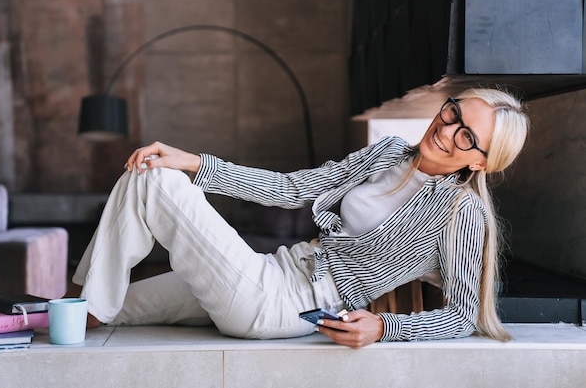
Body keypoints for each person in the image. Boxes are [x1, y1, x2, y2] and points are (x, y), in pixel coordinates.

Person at [69, 87, 529, 348]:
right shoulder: (389, 152)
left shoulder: (461, 211)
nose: (447, 130)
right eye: (452, 112)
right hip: (271, 269)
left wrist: (384, 328)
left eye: (467, 136)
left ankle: (80, 301)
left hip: (287, 305)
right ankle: (68, 309)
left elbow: (463, 315)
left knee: (153, 177)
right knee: (117, 308)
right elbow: (293, 189)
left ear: (482, 162)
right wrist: (196, 162)